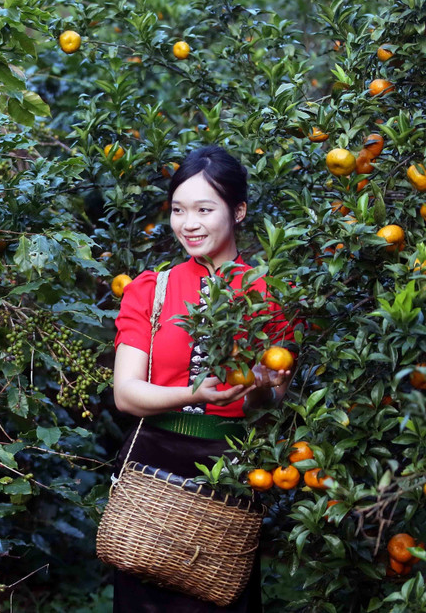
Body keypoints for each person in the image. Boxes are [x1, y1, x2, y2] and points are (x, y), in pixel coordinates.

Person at [111, 145, 297, 612]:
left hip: (231, 478)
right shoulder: (152, 289)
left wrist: (257, 388)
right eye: (178, 210)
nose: (188, 223)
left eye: (203, 209)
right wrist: (193, 393)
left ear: (238, 211)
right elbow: (126, 394)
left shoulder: (272, 295)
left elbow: (273, 404)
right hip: (153, 473)